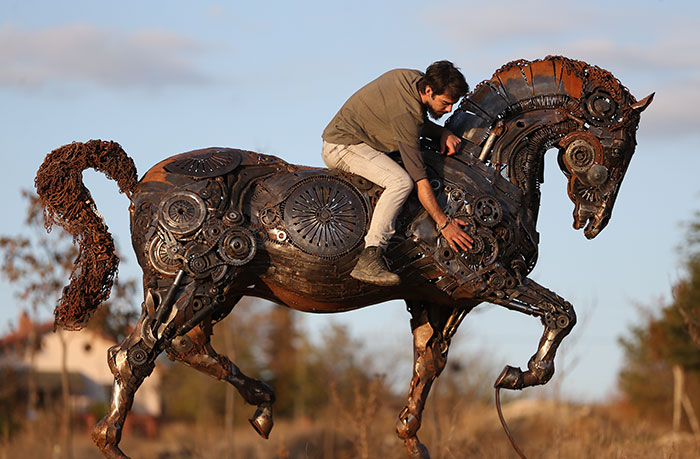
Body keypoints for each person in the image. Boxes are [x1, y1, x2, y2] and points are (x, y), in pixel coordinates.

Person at [322, 60, 474, 287]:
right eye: (445, 103)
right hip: (343, 147)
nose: (449, 109)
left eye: (453, 104)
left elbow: (416, 125)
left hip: (363, 142)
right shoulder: (407, 112)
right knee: (401, 182)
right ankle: (371, 255)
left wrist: (441, 132)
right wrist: (444, 223)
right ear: (429, 91)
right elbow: (420, 181)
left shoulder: (413, 78)